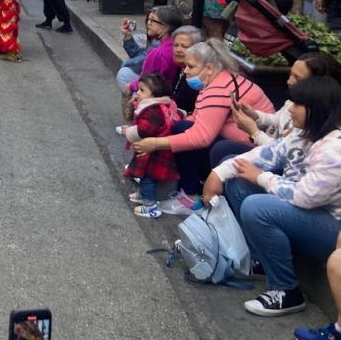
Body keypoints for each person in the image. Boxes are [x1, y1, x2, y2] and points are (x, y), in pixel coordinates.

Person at [204, 76, 341, 317]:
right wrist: (218, 173)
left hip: (332, 228)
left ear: (317, 109)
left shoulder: (333, 150)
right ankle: (261, 261)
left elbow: (304, 197)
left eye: (298, 104)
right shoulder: (302, 134)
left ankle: (286, 291)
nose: (290, 108)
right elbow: (266, 154)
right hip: (308, 211)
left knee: (257, 206)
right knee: (236, 179)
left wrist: (261, 178)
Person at [130, 39, 275, 214]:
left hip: (253, 150)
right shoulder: (222, 80)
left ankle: (190, 198)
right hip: (251, 145)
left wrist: (156, 143)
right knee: (180, 128)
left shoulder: (218, 89)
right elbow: (196, 117)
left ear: (209, 68)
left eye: (190, 67)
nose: (185, 71)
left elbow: (200, 137)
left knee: (183, 133)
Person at [229, 52, 341, 156]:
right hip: (270, 147)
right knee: (224, 149)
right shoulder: (294, 102)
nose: (289, 81)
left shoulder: (311, 119)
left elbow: (282, 152)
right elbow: (279, 119)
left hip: (281, 161)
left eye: (297, 78)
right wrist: (255, 116)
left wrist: (254, 132)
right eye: (291, 74)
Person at [117, 72, 183, 219]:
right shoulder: (164, 105)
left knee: (148, 177)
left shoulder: (152, 110)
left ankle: (150, 205)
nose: (138, 93)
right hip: (157, 149)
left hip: (153, 152)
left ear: (153, 95)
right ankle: (142, 194)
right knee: (145, 177)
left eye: (142, 90)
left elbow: (144, 129)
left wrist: (129, 131)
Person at [122, 6, 186, 99]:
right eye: (148, 19)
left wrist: (131, 86)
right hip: (169, 93)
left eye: (153, 20)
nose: (148, 23)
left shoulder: (158, 53)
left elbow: (146, 80)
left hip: (157, 96)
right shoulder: (175, 45)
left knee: (123, 73)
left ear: (165, 27)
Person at [168, 25, 208, 114]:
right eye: (176, 45)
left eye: (184, 46)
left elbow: (184, 103)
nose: (178, 50)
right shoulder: (180, 66)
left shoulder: (198, 74)